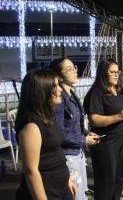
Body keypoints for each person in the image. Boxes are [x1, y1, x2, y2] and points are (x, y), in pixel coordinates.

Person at [15, 69, 76, 199]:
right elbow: (31, 171)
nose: (60, 89)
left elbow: (54, 151)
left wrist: (67, 180)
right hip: (47, 191)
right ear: (43, 91)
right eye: (55, 86)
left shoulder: (47, 117)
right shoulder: (31, 125)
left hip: (61, 188)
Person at [83, 59, 123, 199]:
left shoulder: (119, 89)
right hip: (107, 142)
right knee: (106, 181)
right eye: (112, 72)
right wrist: (119, 116)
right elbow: (95, 119)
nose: (116, 75)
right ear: (103, 74)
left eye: (117, 72)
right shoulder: (96, 92)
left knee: (119, 178)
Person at [50, 58, 100, 200]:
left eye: (74, 67)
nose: (74, 71)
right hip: (68, 155)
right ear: (59, 77)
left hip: (77, 152)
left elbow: (74, 124)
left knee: (81, 192)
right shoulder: (60, 100)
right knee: (75, 194)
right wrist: (84, 140)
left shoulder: (71, 94)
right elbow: (59, 133)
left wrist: (86, 133)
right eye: (69, 69)